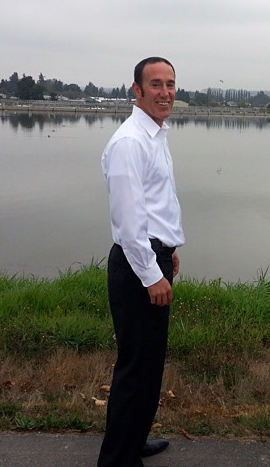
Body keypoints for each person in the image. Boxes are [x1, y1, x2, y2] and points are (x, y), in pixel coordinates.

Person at [98, 57, 184, 467]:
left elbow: (154, 206)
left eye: (170, 84)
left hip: (152, 258)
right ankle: (117, 458)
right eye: (155, 84)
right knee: (136, 367)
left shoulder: (154, 134)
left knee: (149, 364)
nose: (165, 92)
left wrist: (169, 251)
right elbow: (129, 223)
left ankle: (134, 439)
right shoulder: (130, 142)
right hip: (137, 269)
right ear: (136, 90)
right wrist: (152, 274)